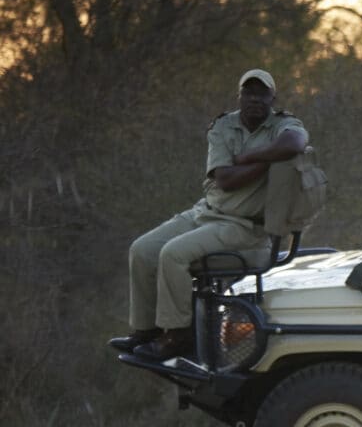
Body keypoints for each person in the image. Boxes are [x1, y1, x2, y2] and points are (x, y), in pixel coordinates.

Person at [117, 68, 310, 361]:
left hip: (246, 227)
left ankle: (178, 336)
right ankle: (146, 331)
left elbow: (294, 144)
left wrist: (249, 158)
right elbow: (225, 179)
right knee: (142, 250)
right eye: (249, 92)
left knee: (173, 254)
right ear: (240, 96)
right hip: (207, 211)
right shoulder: (223, 126)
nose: (255, 99)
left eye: (262, 93)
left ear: (273, 97)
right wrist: (268, 162)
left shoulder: (284, 124)